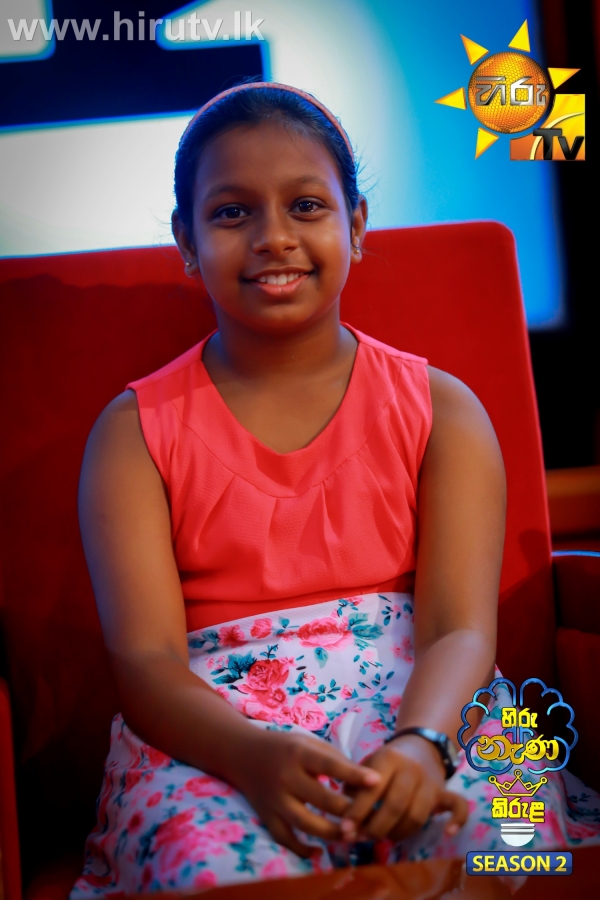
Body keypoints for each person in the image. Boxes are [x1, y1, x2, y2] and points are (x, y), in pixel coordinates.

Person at [70, 83, 600, 896]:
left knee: (510, 845)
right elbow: (146, 660)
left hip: (435, 706)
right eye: (232, 213)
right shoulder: (132, 433)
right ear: (187, 240)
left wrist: (423, 743)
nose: (274, 237)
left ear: (355, 225)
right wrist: (251, 755)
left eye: (307, 206)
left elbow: (460, 628)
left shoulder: (443, 410)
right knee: (211, 871)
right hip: (220, 734)